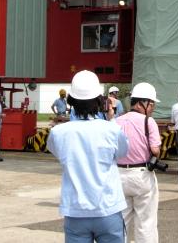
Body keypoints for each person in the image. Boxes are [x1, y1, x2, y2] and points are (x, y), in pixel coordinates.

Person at [48, 70, 128, 242]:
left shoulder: (58, 133)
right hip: (108, 208)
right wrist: (111, 118)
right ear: (100, 100)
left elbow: (57, 151)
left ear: (71, 101)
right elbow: (122, 154)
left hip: (75, 211)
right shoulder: (112, 130)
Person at [115, 82, 162, 243]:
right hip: (142, 176)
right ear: (143, 102)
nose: (153, 107)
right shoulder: (148, 122)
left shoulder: (117, 121)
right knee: (146, 223)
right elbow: (155, 150)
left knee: (121, 222)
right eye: (152, 103)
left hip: (119, 175)